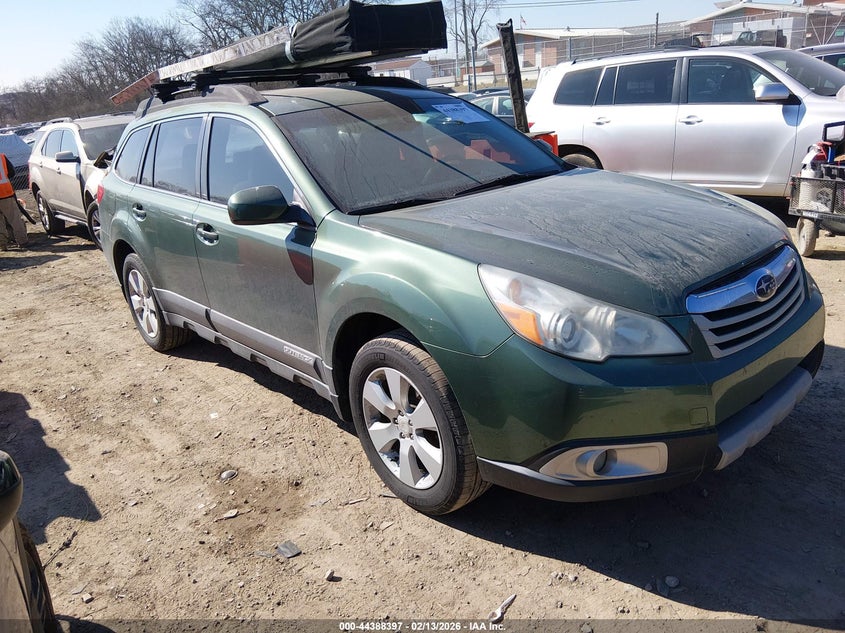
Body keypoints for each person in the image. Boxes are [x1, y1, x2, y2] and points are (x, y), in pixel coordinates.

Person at [0, 153, 29, 250]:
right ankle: (22, 241)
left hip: (5, 193)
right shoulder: (2, 157)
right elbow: (12, 173)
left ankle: (2, 245)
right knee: (15, 219)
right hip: (5, 193)